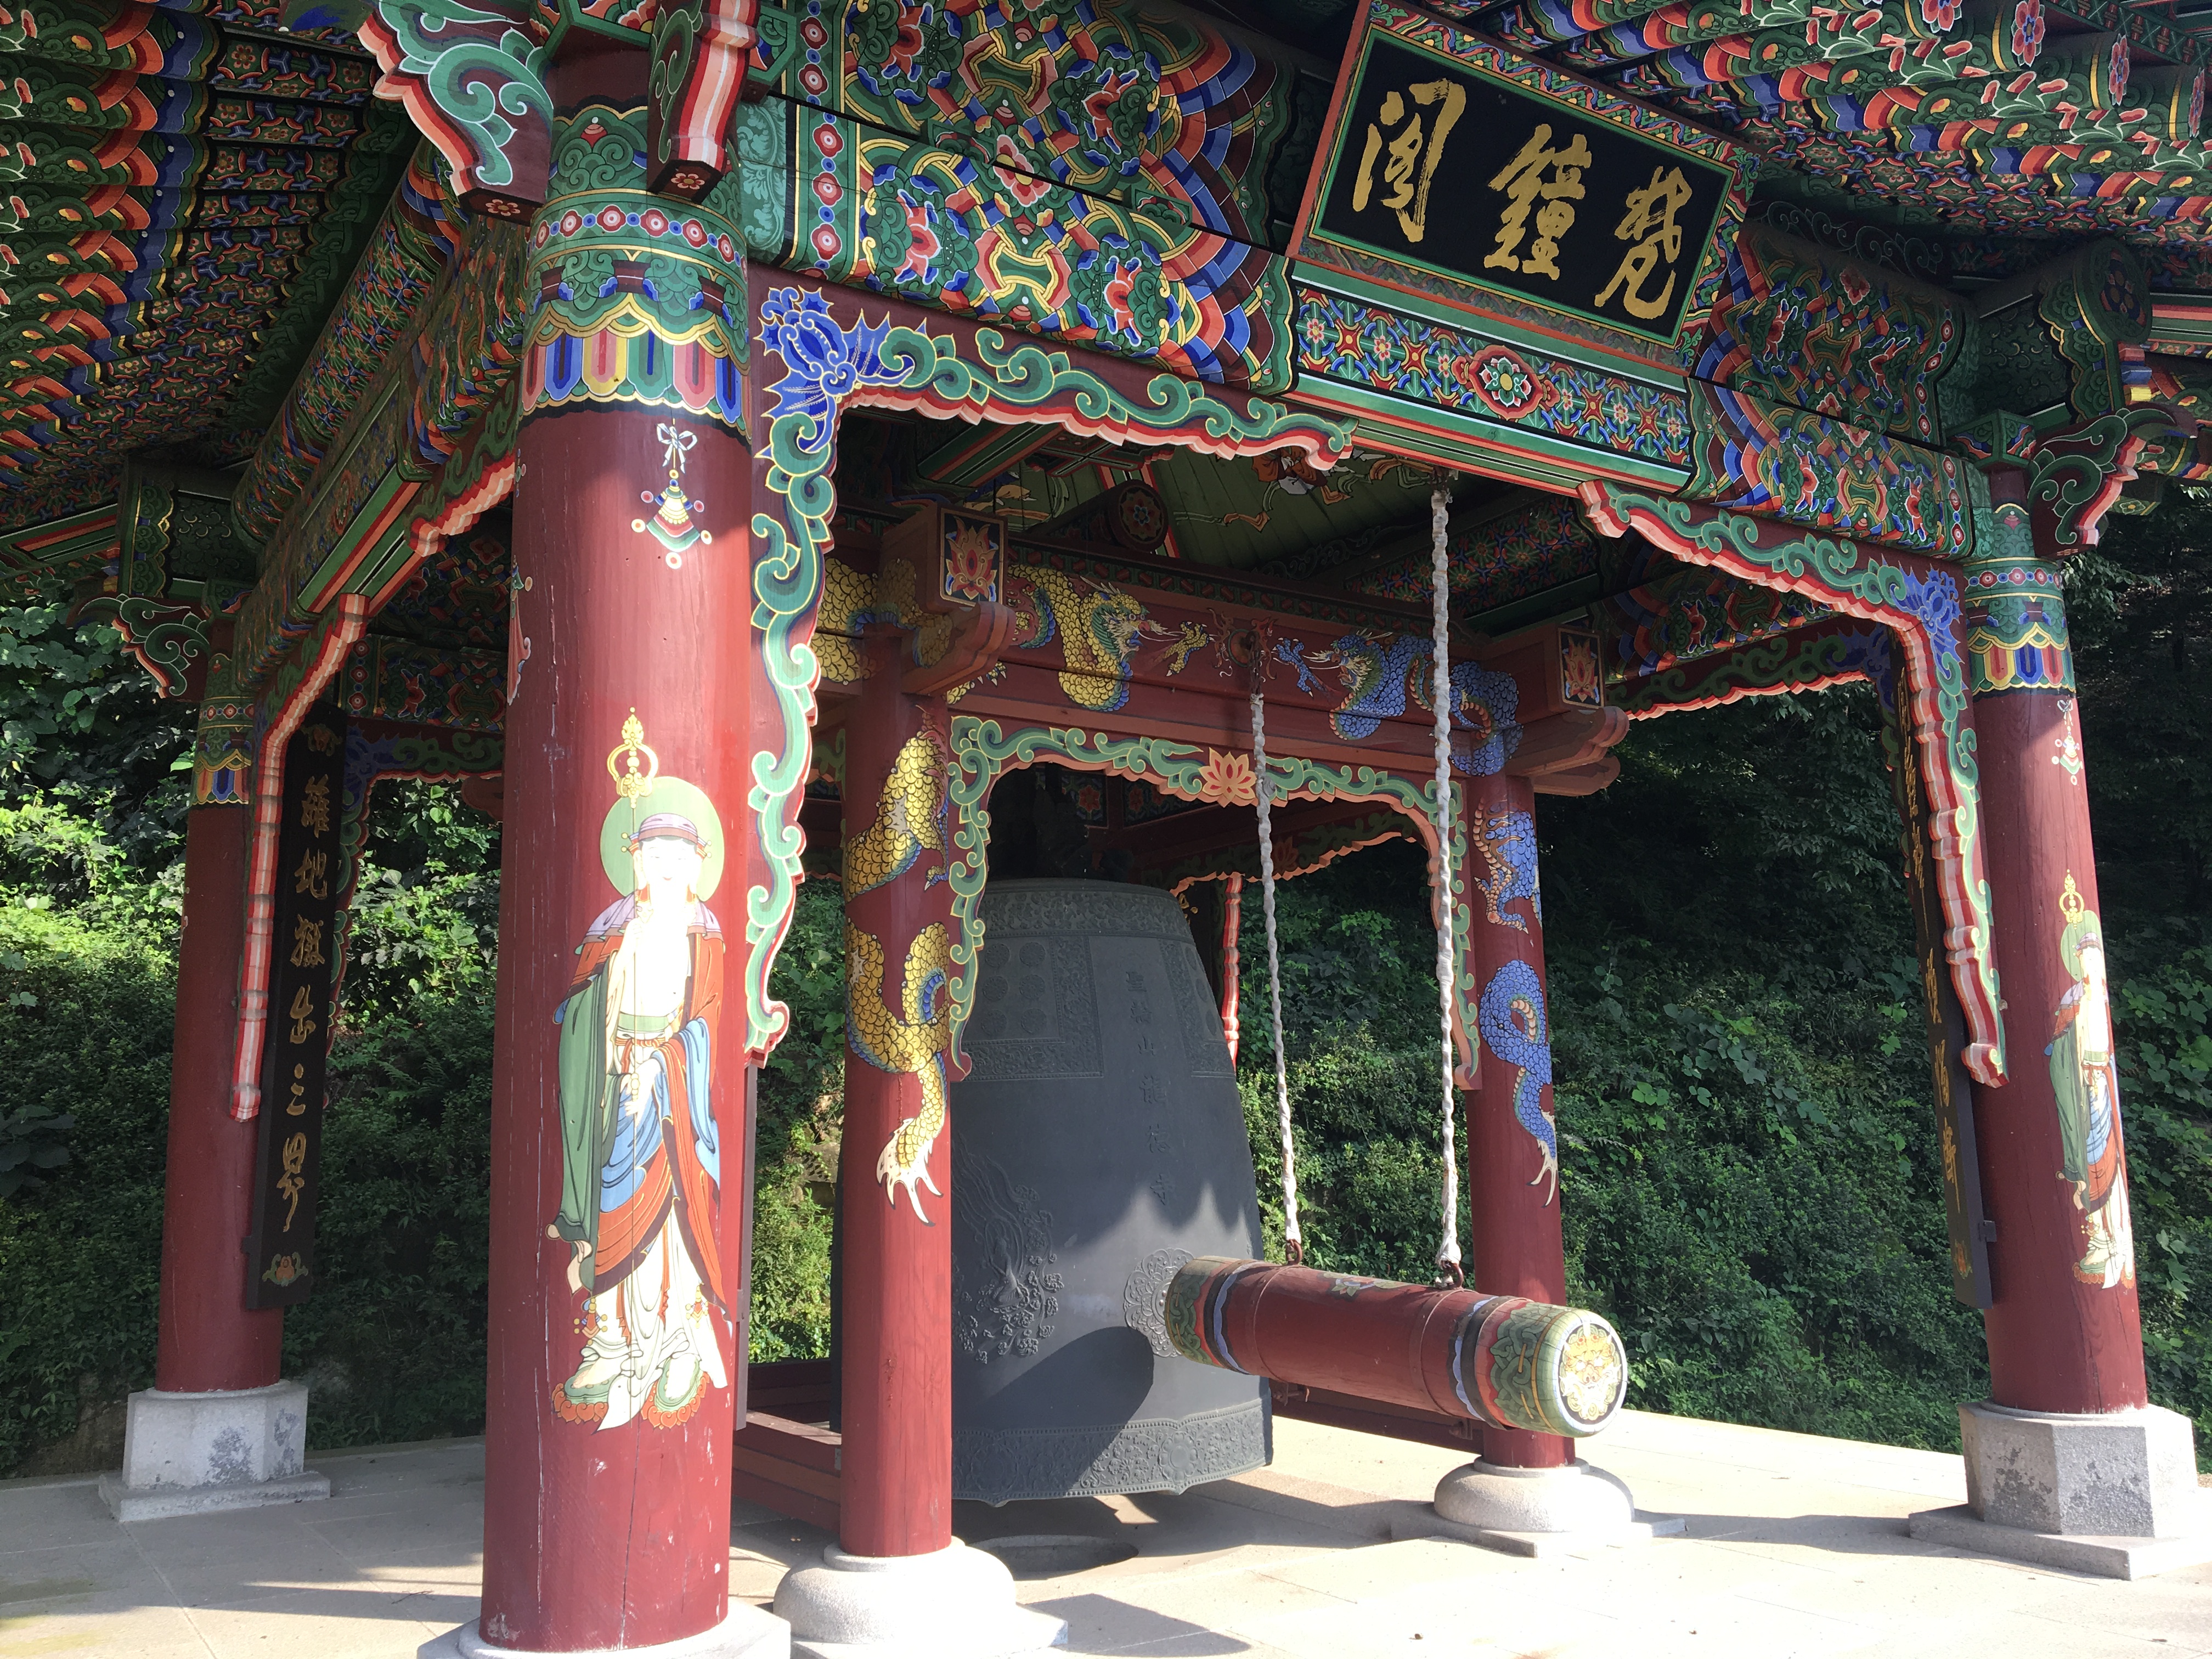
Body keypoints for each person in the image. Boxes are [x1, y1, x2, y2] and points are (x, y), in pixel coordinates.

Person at [549, 811, 730, 1428]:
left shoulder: (703, 932)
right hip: (612, 1081)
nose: (666, 866)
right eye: (654, 853)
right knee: (611, 1205)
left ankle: (678, 1339)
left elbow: (709, 1020)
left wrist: (660, 1067)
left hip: (673, 1091)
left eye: (679, 855)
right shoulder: (613, 926)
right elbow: (578, 1009)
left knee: (674, 1216)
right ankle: (609, 1342)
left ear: (699, 862)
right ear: (635, 859)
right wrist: (603, 1059)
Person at [2048, 877, 2135, 1291]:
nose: (2089, 964)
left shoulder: (2099, 998)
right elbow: (2059, 1043)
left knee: (2105, 1155)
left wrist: (2097, 1072)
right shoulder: (2073, 998)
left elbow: (2103, 1048)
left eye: (2095, 956)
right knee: (2088, 1154)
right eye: (2084, 956)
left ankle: (2109, 1237)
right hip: (2079, 1088)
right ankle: (2098, 1236)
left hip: (2100, 1086)